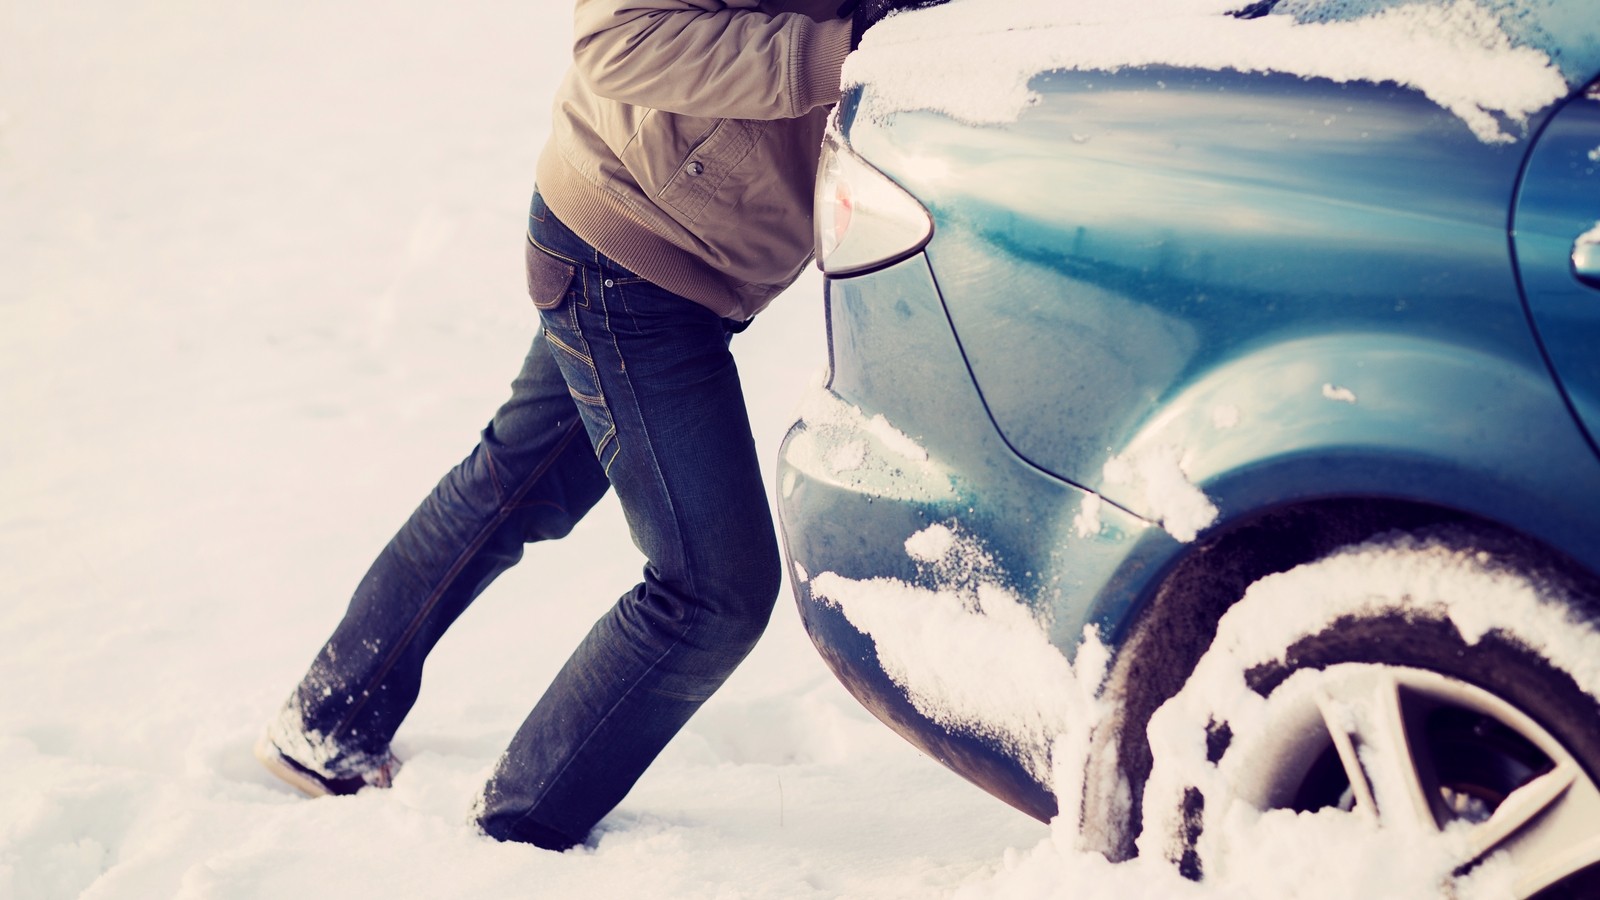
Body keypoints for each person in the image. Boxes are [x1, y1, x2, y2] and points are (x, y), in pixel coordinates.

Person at [254, 0, 930, 851]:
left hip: (674, 250)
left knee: (518, 484)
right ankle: (517, 831)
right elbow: (617, 38)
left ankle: (327, 721)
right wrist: (845, 55)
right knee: (712, 590)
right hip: (631, 254)